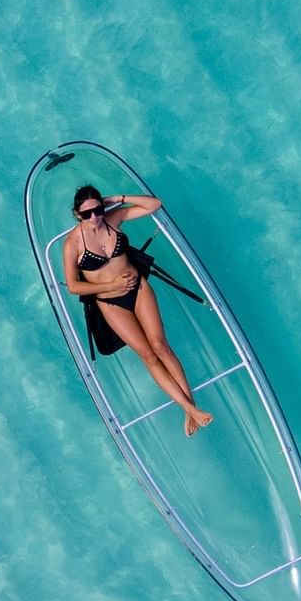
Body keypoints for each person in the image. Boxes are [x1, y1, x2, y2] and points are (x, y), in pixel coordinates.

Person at [61, 184, 215, 436]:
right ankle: (189, 408)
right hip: (111, 302)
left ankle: (191, 409)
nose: (94, 217)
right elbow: (73, 286)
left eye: (98, 210)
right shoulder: (72, 244)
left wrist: (118, 199)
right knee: (149, 356)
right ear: (78, 214)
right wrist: (113, 284)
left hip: (138, 289)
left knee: (161, 346)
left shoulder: (113, 218)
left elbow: (154, 204)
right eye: (87, 214)